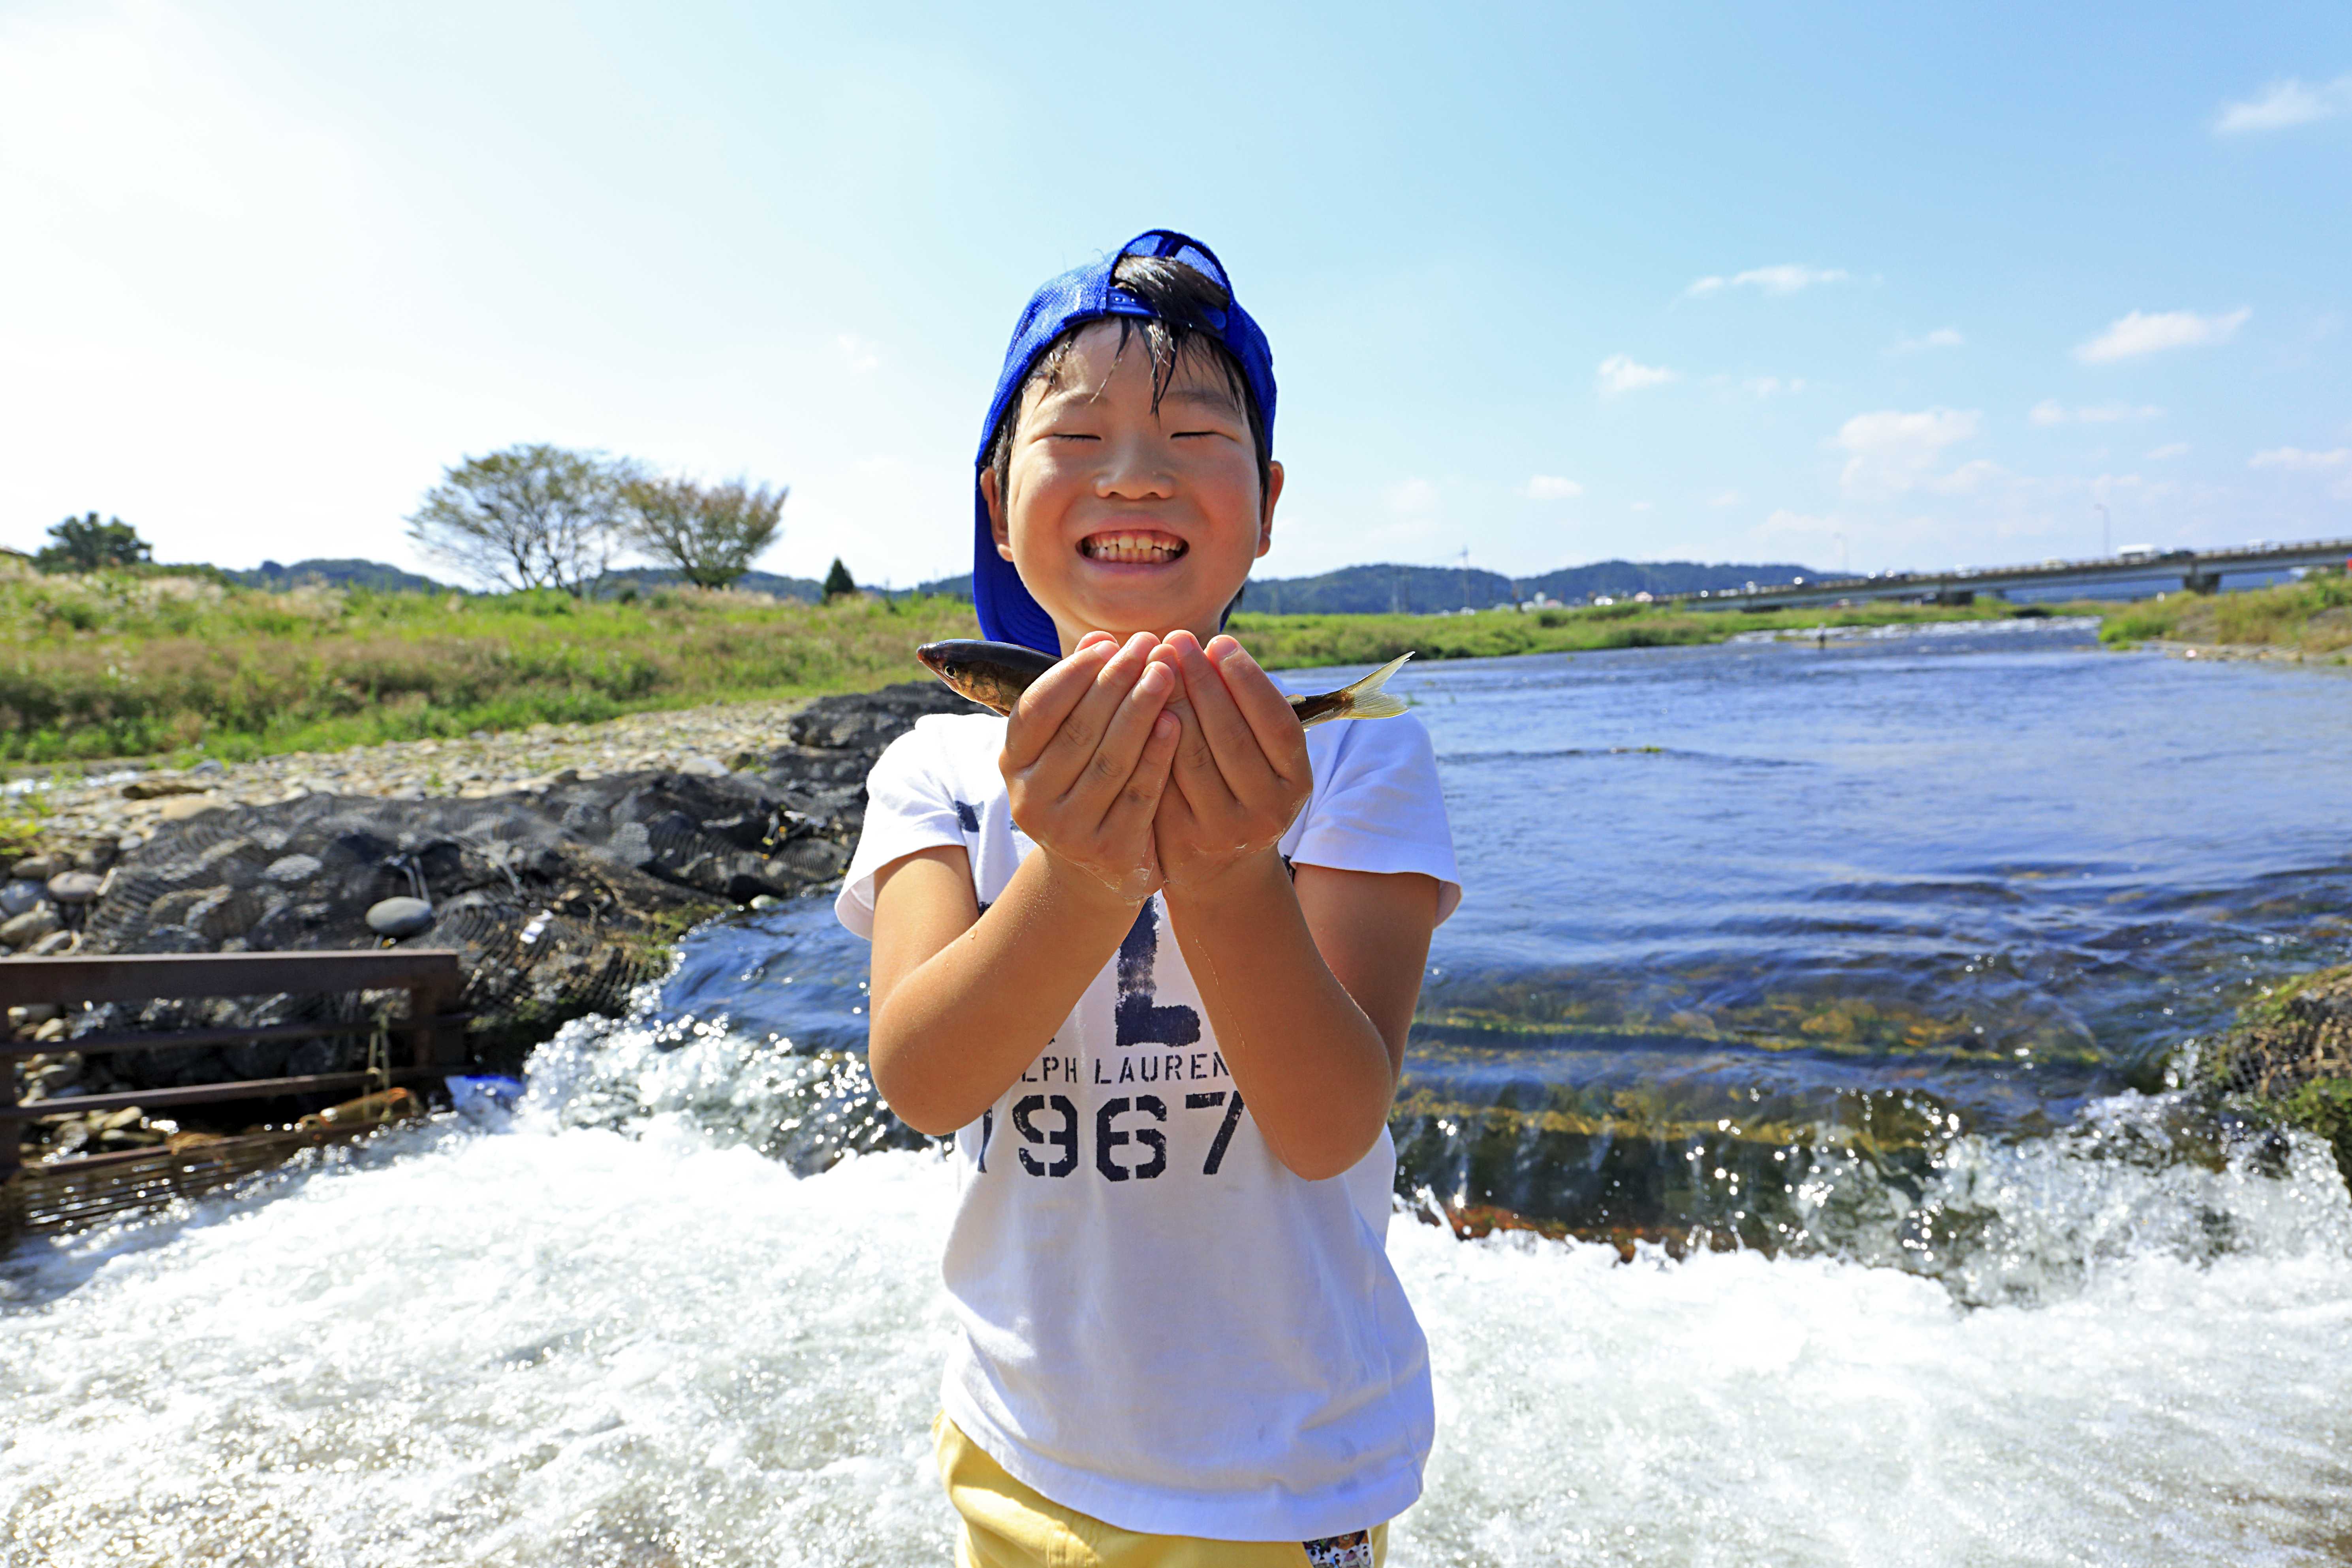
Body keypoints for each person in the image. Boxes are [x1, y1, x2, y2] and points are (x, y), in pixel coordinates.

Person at [838, 230, 1461, 1568]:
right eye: (1078, 436)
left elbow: (1328, 1118)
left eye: (1193, 430)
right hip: (1014, 1442)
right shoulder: (938, 768)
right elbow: (923, 1079)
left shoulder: (1350, 755)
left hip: (1284, 1477)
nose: (1136, 469)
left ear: (1269, 499)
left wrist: (1234, 871)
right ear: (998, 500)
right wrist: (1077, 876)